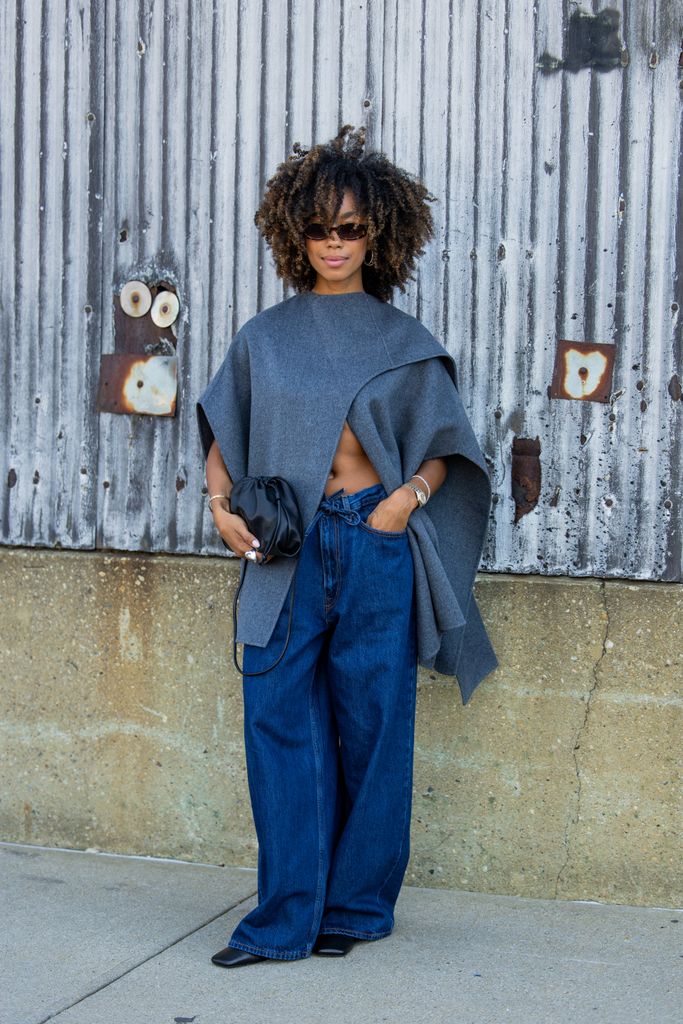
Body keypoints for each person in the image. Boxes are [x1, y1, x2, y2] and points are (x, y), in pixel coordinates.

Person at [196, 125, 497, 967]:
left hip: (373, 543)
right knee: (278, 724)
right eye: (320, 228)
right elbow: (226, 425)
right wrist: (219, 505)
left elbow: (445, 445)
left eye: (352, 228)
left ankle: (355, 911)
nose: (335, 243)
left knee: (373, 728)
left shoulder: (403, 342)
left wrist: (407, 498)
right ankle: (282, 919)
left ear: (380, 235)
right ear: (295, 233)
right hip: (284, 552)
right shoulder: (265, 336)